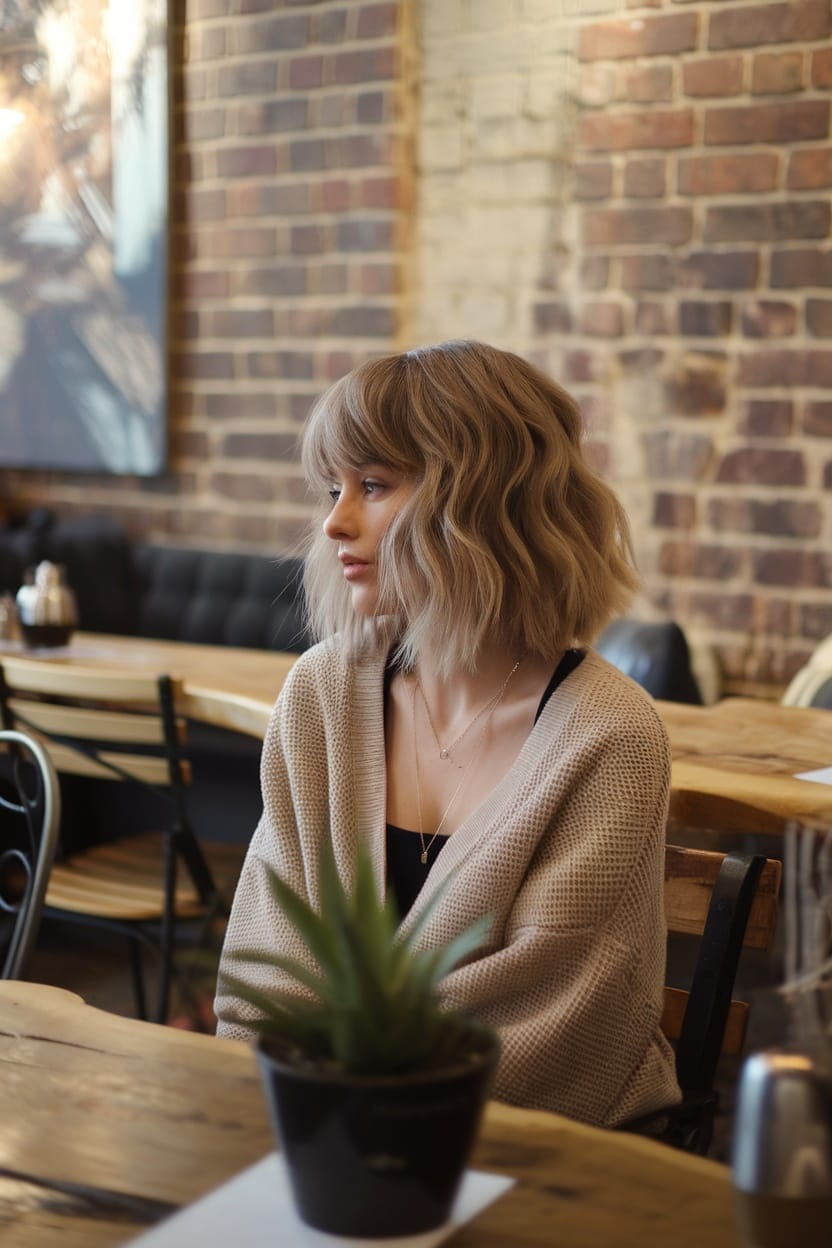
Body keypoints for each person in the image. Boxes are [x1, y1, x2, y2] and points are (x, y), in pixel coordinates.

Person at [215, 339, 681, 1129]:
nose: (334, 521)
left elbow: (553, 1022)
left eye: (373, 485)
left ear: (484, 501)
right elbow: (265, 959)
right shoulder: (322, 694)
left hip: (542, 1159)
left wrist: (340, 1092)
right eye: (333, 486)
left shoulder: (609, 738)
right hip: (314, 1130)